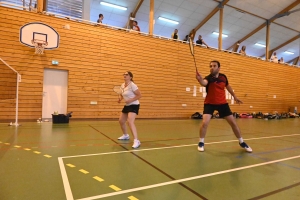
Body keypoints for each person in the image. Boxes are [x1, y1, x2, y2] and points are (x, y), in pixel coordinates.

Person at [195, 60, 252, 153]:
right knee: (205, 123)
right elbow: (203, 83)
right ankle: (201, 142)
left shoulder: (223, 77)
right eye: (210, 66)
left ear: (219, 68)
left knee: (233, 123)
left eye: (214, 66)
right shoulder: (208, 78)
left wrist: (235, 96)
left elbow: (228, 86)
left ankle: (242, 142)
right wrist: (199, 79)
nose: (212, 67)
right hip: (209, 103)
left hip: (223, 104)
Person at [117, 71, 142, 148]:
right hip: (127, 105)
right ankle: (125, 135)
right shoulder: (123, 85)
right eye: (124, 74)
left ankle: (136, 140)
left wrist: (130, 100)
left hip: (134, 105)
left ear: (130, 77)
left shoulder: (133, 85)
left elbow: (139, 95)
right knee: (121, 121)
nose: (124, 75)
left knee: (130, 122)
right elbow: (121, 94)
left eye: (126, 74)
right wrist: (120, 98)